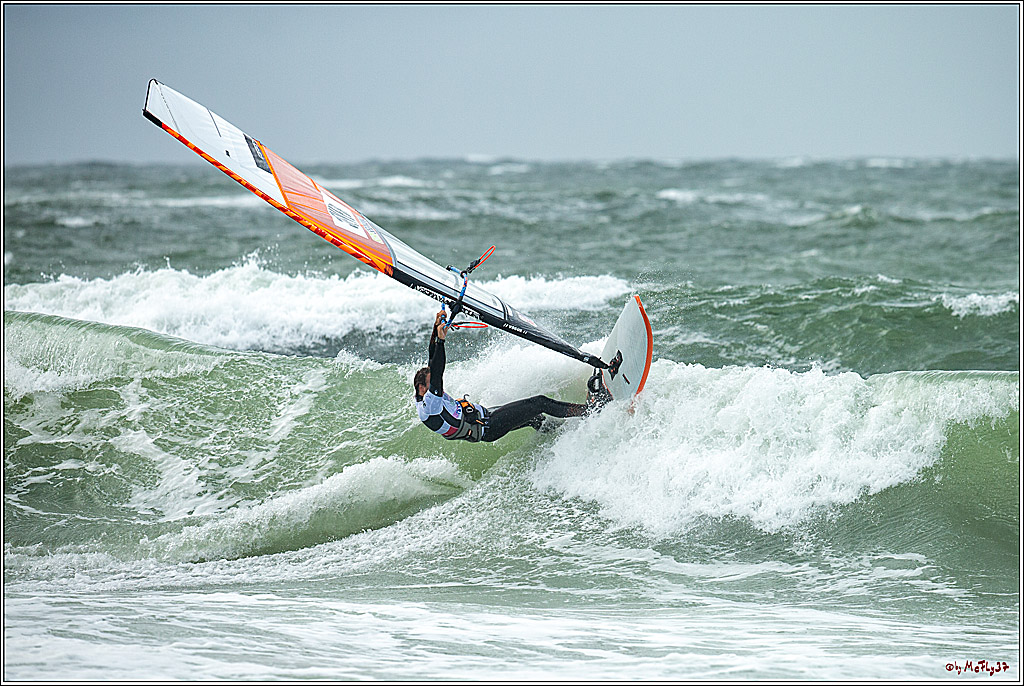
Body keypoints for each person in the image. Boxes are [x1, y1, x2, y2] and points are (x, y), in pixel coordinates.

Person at [414, 310, 591, 443]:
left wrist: (435, 327)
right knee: (539, 402)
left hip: (485, 415)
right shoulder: (430, 405)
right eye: (431, 384)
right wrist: (441, 340)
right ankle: (590, 411)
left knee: (534, 418)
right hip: (487, 426)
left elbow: (432, 361)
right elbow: (437, 371)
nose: (438, 386)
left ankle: (559, 433)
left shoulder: (425, 397)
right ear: (422, 388)